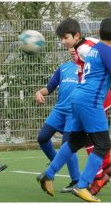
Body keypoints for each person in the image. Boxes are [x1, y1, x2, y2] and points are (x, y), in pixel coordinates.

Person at [37, 17, 111, 202]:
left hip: (77, 97)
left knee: (75, 141)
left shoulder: (92, 49)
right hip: (91, 101)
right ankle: (82, 185)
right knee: (103, 144)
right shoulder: (104, 49)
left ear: (99, 32)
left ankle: (48, 174)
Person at [55, 17, 111, 195]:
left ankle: (97, 177)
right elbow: (109, 48)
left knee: (91, 138)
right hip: (94, 95)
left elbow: (102, 58)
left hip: (94, 96)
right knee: (97, 136)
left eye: (65, 38)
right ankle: (105, 168)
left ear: (77, 35)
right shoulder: (89, 43)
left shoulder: (84, 50)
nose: (63, 42)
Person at [35, 60, 80, 193]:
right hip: (59, 110)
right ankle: (57, 162)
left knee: (67, 145)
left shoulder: (87, 66)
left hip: (74, 112)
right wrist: (39, 93)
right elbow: (49, 87)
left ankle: (76, 181)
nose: (73, 50)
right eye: (71, 47)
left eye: (75, 47)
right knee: (42, 138)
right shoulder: (63, 67)